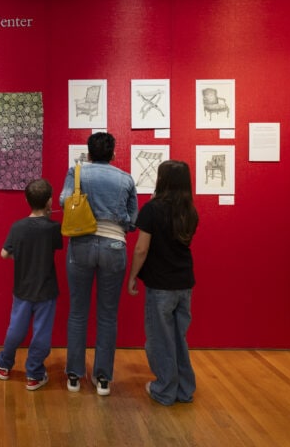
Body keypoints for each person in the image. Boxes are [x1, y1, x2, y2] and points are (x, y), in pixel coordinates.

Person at [59, 132, 138, 396]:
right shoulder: (125, 178)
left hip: (81, 245)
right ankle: (103, 379)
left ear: (89, 153)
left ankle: (73, 375)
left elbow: (63, 201)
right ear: (113, 153)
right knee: (107, 315)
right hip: (114, 246)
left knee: (78, 312)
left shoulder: (77, 172)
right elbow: (132, 219)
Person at [127, 160, 198, 406]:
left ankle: (165, 390)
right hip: (184, 282)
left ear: (162, 180)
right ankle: (184, 390)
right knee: (179, 337)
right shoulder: (190, 211)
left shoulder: (152, 209)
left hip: (161, 285)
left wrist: (133, 276)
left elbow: (141, 249)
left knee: (160, 338)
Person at [0, 179, 63, 391]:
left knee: (16, 328)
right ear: (50, 201)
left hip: (22, 289)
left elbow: (4, 254)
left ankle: (4, 365)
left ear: (26, 200)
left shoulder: (18, 226)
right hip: (46, 290)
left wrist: (20, 256)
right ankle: (34, 374)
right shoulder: (53, 228)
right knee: (42, 333)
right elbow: (55, 247)